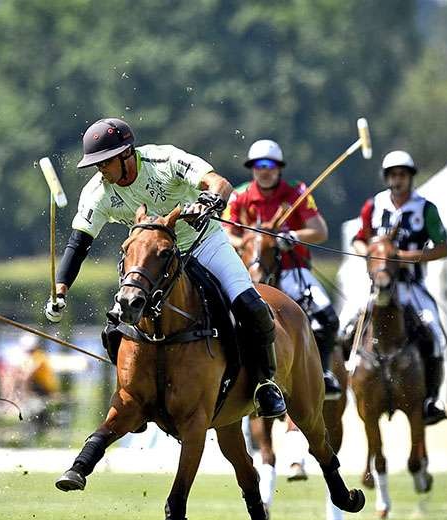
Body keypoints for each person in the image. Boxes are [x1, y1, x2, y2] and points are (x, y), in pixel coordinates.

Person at [46, 118, 286, 418]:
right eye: (96, 164)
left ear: (125, 155)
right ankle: (132, 393)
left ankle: (265, 383)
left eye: (105, 162)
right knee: (115, 326)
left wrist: (209, 200)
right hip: (153, 263)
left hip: (203, 244)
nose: (100, 170)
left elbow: (218, 182)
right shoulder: (98, 192)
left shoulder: (164, 160)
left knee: (251, 305)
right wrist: (60, 290)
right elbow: (79, 244)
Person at [226, 139, 341, 400]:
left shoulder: (296, 193)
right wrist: (247, 240)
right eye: (257, 165)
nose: (263, 170)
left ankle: (323, 374)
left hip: (292, 269)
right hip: (250, 272)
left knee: (327, 318)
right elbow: (226, 232)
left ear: (278, 168)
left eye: (269, 165)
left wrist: (292, 235)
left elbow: (320, 231)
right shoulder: (240, 195)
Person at [351, 150, 447, 425]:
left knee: (435, 334)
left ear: (410, 177)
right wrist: (372, 253)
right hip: (377, 284)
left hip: (411, 286)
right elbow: (359, 240)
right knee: (349, 325)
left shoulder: (425, 209)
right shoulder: (373, 205)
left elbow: (443, 248)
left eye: (403, 174)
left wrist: (404, 257)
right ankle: (350, 382)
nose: (398, 179)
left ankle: (431, 398)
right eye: (393, 174)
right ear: (387, 178)